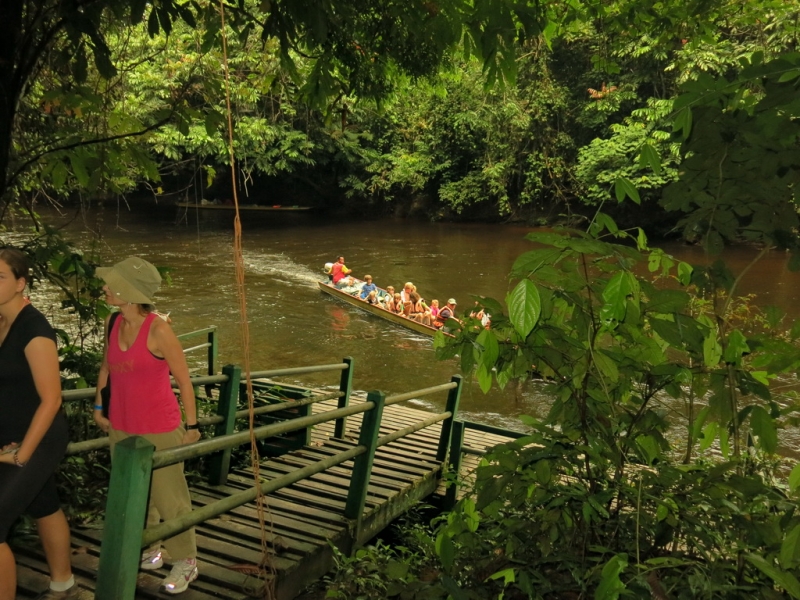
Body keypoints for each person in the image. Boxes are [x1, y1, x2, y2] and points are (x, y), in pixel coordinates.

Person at [93, 257, 202, 595]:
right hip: (122, 426)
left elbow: (184, 381)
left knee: (170, 498)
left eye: (112, 283)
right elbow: (106, 369)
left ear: (130, 291)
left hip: (159, 427)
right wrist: (99, 406)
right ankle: (150, 549)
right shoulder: (113, 322)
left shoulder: (159, 329)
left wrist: (193, 424)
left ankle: (186, 560)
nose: (106, 288)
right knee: (134, 498)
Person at [0, 247, 77, 600]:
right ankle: (63, 583)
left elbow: (52, 399)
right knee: (42, 502)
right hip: (9, 436)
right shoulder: (1, 321)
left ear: (20, 284)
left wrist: (21, 455)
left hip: (38, 438)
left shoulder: (35, 329)